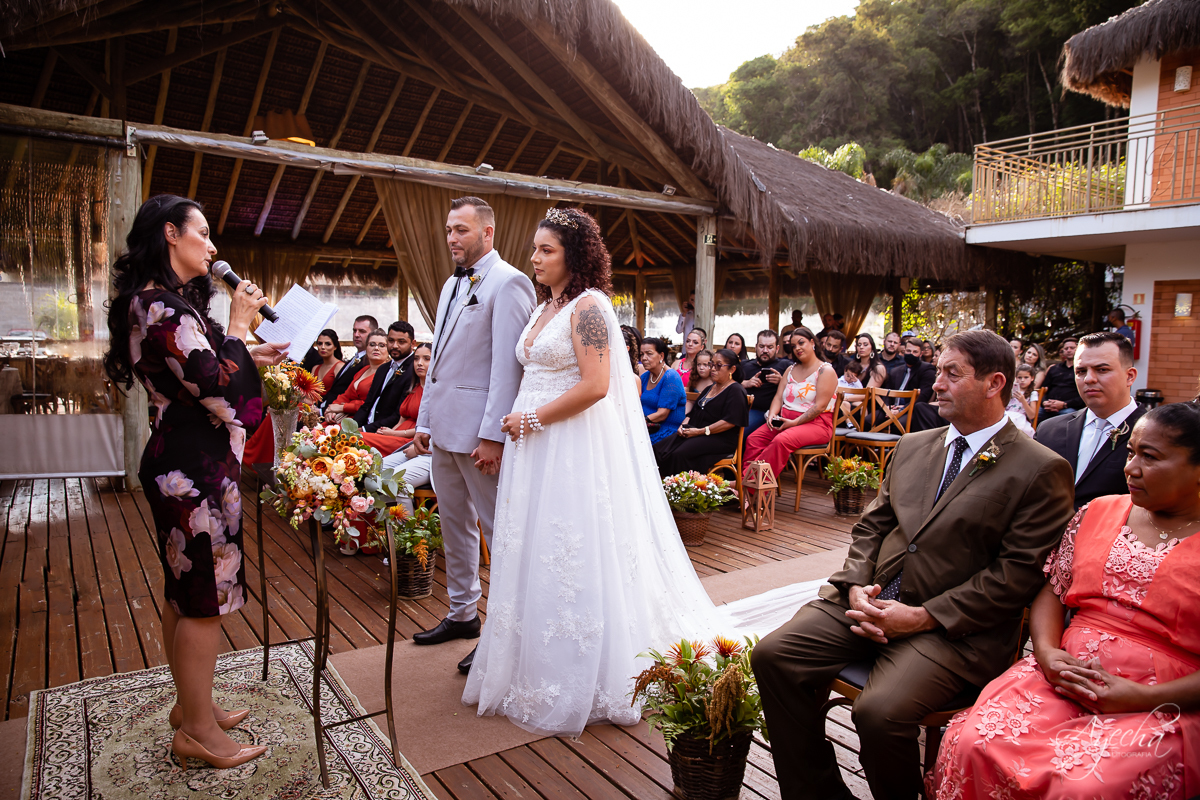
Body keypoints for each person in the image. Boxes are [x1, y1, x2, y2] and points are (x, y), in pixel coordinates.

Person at [751, 329, 1075, 800]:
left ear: (994, 383)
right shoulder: (913, 445)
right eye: (938, 371)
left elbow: (1016, 574)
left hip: (952, 629)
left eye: (951, 374)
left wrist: (923, 616)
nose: (936, 384)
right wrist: (857, 584)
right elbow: (871, 527)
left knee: (878, 712)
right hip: (870, 601)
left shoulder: (1040, 467)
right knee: (773, 656)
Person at [465, 207, 753, 736]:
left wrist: (532, 417)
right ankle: (528, 657)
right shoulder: (545, 306)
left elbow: (596, 385)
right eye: (534, 249)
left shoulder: (590, 307)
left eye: (546, 250)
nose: (535, 258)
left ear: (574, 256)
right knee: (534, 543)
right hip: (533, 448)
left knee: (571, 542)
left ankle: (589, 666)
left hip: (567, 444)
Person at [928, 402, 1200, 799]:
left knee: (1085, 785)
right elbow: (1053, 591)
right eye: (1130, 452)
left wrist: (1144, 697)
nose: (1131, 468)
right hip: (1061, 676)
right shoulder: (1097, 511)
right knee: (974, 741)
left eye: (1151, 457)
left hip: (1161, 701)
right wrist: (1048, 654)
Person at [102, 195, 287, 769]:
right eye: (201, 233)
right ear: (169, 234)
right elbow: (217, 389)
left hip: (178, 458)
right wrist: (239, 325)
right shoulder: (163, 306)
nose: (211, 246)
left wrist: (250, 350)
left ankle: (191, 707)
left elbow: (196, 370)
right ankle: (199, 733)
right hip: (196, 468)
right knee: (204, 600)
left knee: (183, 591)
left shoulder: (153, 301)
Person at [409, 197, 536, 674]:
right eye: (448, 229)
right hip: (443, 428)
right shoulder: (449, 284)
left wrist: (492, 436)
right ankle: (463, 614)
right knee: (453, 525)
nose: (451, 238)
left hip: (481, 435)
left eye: (461, 229)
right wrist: (425, 420)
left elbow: (508, 368)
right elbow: (439, 360)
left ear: (487, 232)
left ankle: (501, 635)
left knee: (498, 532)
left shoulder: (510, 282)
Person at [1035, 331, 1145, 510]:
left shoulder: (1156, 435)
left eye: (1102, 370)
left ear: (1130, 376)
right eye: (1081, 371)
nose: (1089, 379)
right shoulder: (1049, 431)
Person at [742, 327, 837, 485]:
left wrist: (794, 423)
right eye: (793, 346)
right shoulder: (790, 369)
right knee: (754, 439)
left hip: (816, 424)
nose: (797, 348)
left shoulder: (825, 371)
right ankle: (749, 484)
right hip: (785, 419)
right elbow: (779, 397)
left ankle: (748, 485)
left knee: (781, 441)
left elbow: (820, 406)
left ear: (812, 342)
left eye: (801, 343)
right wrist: (772, 415)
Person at [654, 348, 749, 476]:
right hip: (696, 431)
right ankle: (660, 485)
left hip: (719, 438)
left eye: (718, 365)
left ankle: (680, 486)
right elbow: (694, 412)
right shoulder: (710, 388)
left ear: (732, 369)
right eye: (711, 364)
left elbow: (730, 421)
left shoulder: (736, 390)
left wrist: (701, 431)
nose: (713, 369)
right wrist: (683, 424)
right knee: (659, 449)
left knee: (679, 454)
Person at [362, 342, 429, 458]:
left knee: (359, 439)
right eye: (416, 359)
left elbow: (428, 428)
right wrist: (387, 434)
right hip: (396, 436)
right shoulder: (414, 388)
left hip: (410, 440)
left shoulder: (434, 392)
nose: (419, 363)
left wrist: (394, 434)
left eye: (426, 359)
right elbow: (401, 421)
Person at [354, 320, 416, 432]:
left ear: (413, 344)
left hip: (387, 431)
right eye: (391, 341)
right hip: (366, 426)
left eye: (401, 342)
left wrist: (364, 430)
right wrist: (351, 428)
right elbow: (367, 404)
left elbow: (398, 415)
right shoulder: (383, 368)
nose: (395, 346)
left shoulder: (413, 371)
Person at [323, 330, 388, 423]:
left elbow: (373, 404)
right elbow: (346, 395)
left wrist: (343, 407)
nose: (376, 348)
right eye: (372, 344)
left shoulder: (386, 374)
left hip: (362, 420)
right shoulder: (363, 370)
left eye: (382, 345)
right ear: (366, 348)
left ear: (388, 349)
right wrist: (332, 410)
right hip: (342, 416)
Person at [319, 315, 378, 413]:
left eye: (362, 331)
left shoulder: (369, 363)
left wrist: (326, 410)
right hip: (329, 407)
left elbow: (353, 395)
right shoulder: (355, 358)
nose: (356, 335)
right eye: (354, 331)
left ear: (373, 334)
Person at [741, 329, 792, 434]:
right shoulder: (744, 365)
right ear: (756, 347)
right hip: (740, 408)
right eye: (761, 346)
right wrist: (745, 383)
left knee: (741, 429)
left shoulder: (786, 366)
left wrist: (782, 382)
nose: (765, 350)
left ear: (777, 349)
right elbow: (725, 384)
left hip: (765, 412)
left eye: (770, 347)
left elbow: (799, 387)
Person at [639, 337, 686, 445]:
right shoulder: (645, 377)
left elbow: (662, 414)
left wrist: (638, 422)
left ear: (661, 356)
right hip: (646, 428)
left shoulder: (671, 377)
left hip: (665, 432)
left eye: (649, 354)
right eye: (641, 354)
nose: (644, 358)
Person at [1038, 338, 1083, 423]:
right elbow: (1044, 389)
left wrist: (1064, 404)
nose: (1068, 350)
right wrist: (1044, 403)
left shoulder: (1082, 370)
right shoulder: (1054, 369)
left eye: (1072, 348)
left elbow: (1082, 396)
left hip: (1069, 408)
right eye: (1066, 348)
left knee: (1069, 416)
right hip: (1048, 407)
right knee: (1035, 414)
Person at [1003, 363, 1037, 436]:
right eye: (1019, 377)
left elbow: (1032, 415)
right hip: (1006, 415)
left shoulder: (1033, 393)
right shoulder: (1010, 391)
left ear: (1032, 378)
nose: (1022, 380)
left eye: (1026, 377)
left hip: (1020, 418)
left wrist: (1023, 401)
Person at [312, 329, 344, 399]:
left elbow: (340, 393)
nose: (323, 347)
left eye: (328, 344)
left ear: (335, 346)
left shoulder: (340, 366)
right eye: (320, 343)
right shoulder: (315, 368)